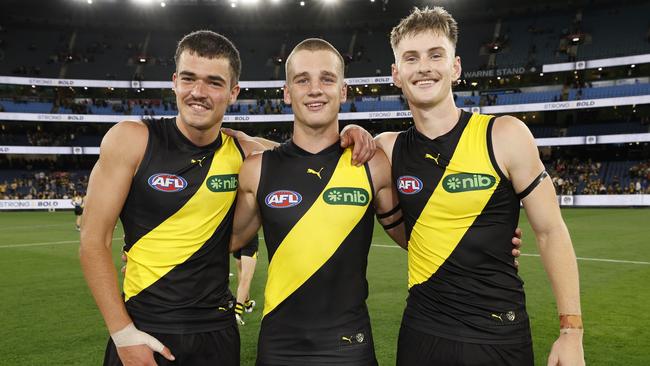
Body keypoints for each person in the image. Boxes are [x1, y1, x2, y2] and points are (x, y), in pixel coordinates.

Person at [79, 30, 376, 366]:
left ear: (233, 91)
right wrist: (122, 333)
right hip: (148, 328)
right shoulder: (131, 140)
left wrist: (352, 132)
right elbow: (92, 241)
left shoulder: (244, 154)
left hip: (218, 334)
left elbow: (306, 154)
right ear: (174, 81)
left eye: (214, 82)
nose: (198, 93)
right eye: (189, 79)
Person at [374, 7, 584, 365]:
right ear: (396, 73)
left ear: (455, 68)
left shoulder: (505, 135)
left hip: (500, 333)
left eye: (435, 55)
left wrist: (571, 332)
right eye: (411, 58)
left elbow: (551, 232)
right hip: (423, 333)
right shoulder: (387, 149)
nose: (423, 66)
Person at [230, 38, 407, 366]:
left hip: (350, 346)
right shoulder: (257, 170)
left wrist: (492, 243)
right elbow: (224, 243)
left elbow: (417, 239)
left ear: (342, 91)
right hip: (278, 346)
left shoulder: (372, 164)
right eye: (302, 80)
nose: (315, 89)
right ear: (287, 93)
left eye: (327, 79)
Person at [233, 234, 260, 326]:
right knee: (246, 277)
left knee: (241, 273)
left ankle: (248, 304)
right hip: (249, 237)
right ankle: (237, 312)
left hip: (236, 237)